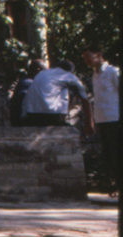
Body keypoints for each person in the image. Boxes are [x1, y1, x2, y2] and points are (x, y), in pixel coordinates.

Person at [83, 47, 119, 190]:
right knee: (109, 156)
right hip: (102, 120)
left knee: (117, 154)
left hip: (115, 118)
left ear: (98, 55)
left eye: (88, 56)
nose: (86, 60)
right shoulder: (95, 75)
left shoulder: (112, 72)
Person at [22, 59, 93, 128]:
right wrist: (90, 124)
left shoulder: (42, 73)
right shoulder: (68, 76)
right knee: (68, 89)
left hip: (30, 114)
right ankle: (62, 118)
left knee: (58, 87)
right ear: (70, 71)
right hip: (50, 116)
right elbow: (85, 100)